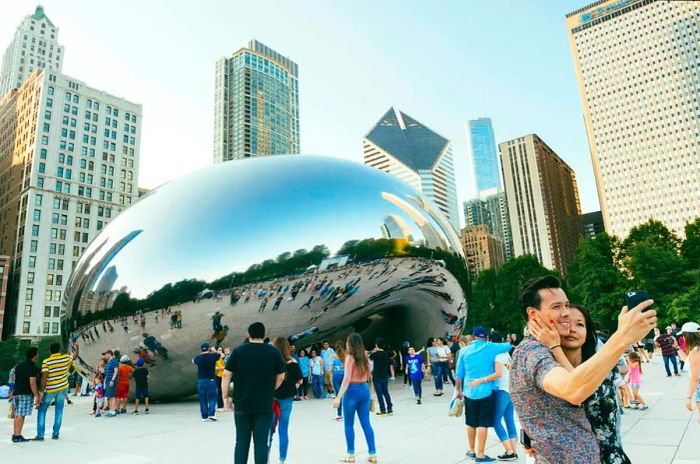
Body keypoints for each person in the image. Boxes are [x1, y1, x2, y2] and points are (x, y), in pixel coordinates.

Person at [510, 276, 655, 463]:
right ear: (533, 314)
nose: (566, 314)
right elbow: (573, 390)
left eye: (566, 305)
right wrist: (622, 337)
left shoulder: (556, 352)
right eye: (556, 307)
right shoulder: (533, 351)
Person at [530, 304, 631, 463]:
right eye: (565, 324)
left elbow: (581, 394)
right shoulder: (549, 374)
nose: (572, 329)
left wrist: (555, 347)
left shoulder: (603, 369)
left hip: (605, 458)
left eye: (580, 324)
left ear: (588, 333)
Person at [222, 322, 286, 464]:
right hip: (264, 403)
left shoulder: (239, 351)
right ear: (263, 335)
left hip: (242, 403)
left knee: (241, 442)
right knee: (261, 443)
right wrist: (271, 389)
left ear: (249, 334)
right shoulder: (273, 351)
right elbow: (281, 376)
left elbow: (226, 374)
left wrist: (225, 396)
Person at [455, 326, 512, 463]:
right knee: (483, 424)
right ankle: (480, 455)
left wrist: (458, 391)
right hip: (486, 392)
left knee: (470, 422)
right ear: (486, 337)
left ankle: (471, 450)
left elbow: (458, 375)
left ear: (473, 337)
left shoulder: (463, 351)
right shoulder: (490, 347)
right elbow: (508, 345)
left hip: (469, 391)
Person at [332, 333, 377, 463]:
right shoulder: (366, 358)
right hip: (364, 389)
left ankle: (351, 455)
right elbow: (369, 376)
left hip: (351, 391)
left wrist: (338, 397)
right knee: (366, 423)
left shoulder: (349, 358)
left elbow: (346, 379)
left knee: (348, 424)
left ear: (350, 344)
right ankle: (373, 453)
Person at [35, 342, 79, 440]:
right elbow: (75, 356)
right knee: (59, 411)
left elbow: (44, 378)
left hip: (51, 389)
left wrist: (41, 392)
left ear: (50, 351)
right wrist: (76, 348)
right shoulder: (66, 358)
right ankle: (55, 433)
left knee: (42, 410)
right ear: (59, 349)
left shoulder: (47, 362)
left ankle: (40, 435)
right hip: (63, 388)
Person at [272, 337, 303, 464]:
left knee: (269, 429)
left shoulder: (271, 362)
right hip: (287, 400)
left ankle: (264, 458)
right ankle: (282, 460)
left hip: (272, 399)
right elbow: (300, 380)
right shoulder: (293, 363)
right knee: (283, 430)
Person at [490, 333, 518, 462]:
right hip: (511, 389)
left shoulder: (497, 355)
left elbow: (498, 373)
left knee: (495, 421)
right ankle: (514, 450)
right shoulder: (506, 354)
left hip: (502, 390)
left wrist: (482, 379)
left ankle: (509, 451)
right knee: (509, 419)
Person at [10, 347, 39, 443]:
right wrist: (37, 395)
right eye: (37, 354)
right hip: (25, 394)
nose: (38, 355)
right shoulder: (32, 367)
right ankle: (18, 436)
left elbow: (14, 379)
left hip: (16, 392)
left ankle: (15, 435)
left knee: (17, 414)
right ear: (34, 356)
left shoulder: (19, 366)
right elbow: (32, 383)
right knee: (21, 415)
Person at [192, 342, 223, 422]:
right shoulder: (213, 356)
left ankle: (204, 416)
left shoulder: (198, 358)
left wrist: (201, 354)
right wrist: (214, 351)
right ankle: (211, 414)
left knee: (202, 398)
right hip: (211, 380)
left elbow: (193, 361)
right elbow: (222, 355)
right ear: (209, 348)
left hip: (201, 380)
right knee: (212, 398)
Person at [678, 322, 700, 423]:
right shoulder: (696, 350)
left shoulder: (696, 350)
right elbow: (688, 361)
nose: (683, 338)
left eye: (683, 335)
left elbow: (695, 378)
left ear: (688, 336)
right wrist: (676, 348)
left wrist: (688, 397)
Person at [370, 337, 393, 416]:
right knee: (386, 392)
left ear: (376, 345)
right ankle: (390, 409)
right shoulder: (386, 354)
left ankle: (382, 410)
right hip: (384, 375)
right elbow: (390, 358)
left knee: (379, 393)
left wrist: (375, 351)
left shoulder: (375, 354)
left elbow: (369, 357)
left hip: (377, 376)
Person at [331, 342, 346, 420]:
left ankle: (339, 414)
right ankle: (347, 413)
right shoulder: (345, 356)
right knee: (346, 395)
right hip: (344, 376)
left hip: (336, 377)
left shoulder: (333, 357)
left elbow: (330, 370)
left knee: (338, 395)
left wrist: (330, 381)